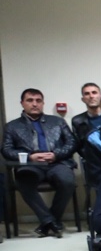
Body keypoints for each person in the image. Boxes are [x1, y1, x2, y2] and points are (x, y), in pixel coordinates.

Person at [2, 88, 78, 237]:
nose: (34, 104)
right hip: (31, 165)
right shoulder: (12, 126)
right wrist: (29, 157)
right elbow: (6, 150)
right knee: (23, 181)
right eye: (30, 100)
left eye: (38, 101)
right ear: (22, 103)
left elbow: (72, 142)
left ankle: (48, 221)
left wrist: (56, 155)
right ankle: (52, 222)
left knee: (67, 181)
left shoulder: (58, 121)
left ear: (43, 103)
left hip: (57, 163)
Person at [70, 81, 101, 148]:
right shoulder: (77, 121)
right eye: (87, 94)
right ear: (83, 99)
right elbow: (78, 144)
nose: (91, 96)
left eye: (94, 92)